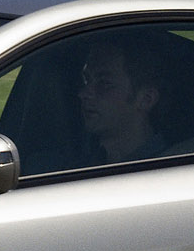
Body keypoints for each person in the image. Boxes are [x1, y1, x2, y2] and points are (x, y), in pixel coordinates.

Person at [75, 36, 188, 166]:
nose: (83, 94)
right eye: (87, 80)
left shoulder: (170, 168)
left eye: (104, 83)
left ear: (146, 99)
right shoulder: (81, 167)